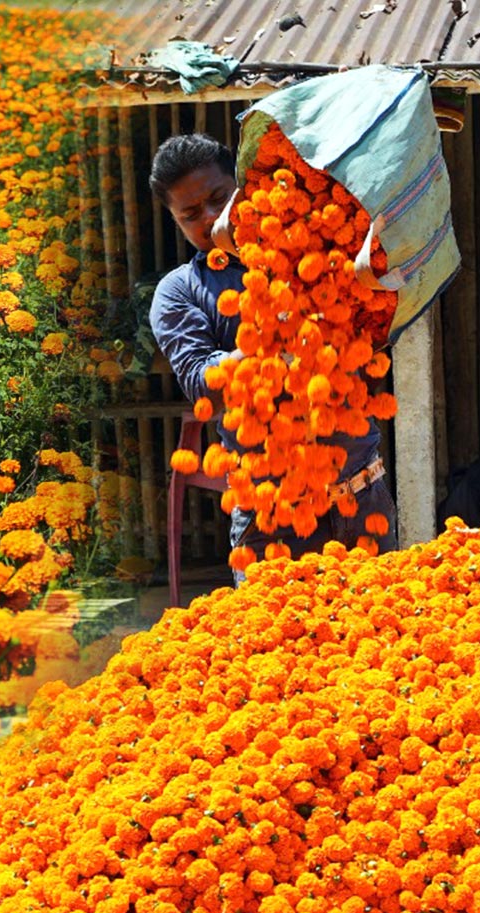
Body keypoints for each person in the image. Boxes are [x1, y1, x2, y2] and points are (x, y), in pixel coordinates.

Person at [146, 132, 397, 584]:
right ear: (174, 221)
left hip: (363, 504)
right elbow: (203, 387)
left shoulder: (315, 250)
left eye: (219, 198)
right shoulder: (179, 293)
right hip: (271, 525)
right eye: (190, 214)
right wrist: (279, 334)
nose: (210, 217)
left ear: (243, 187)